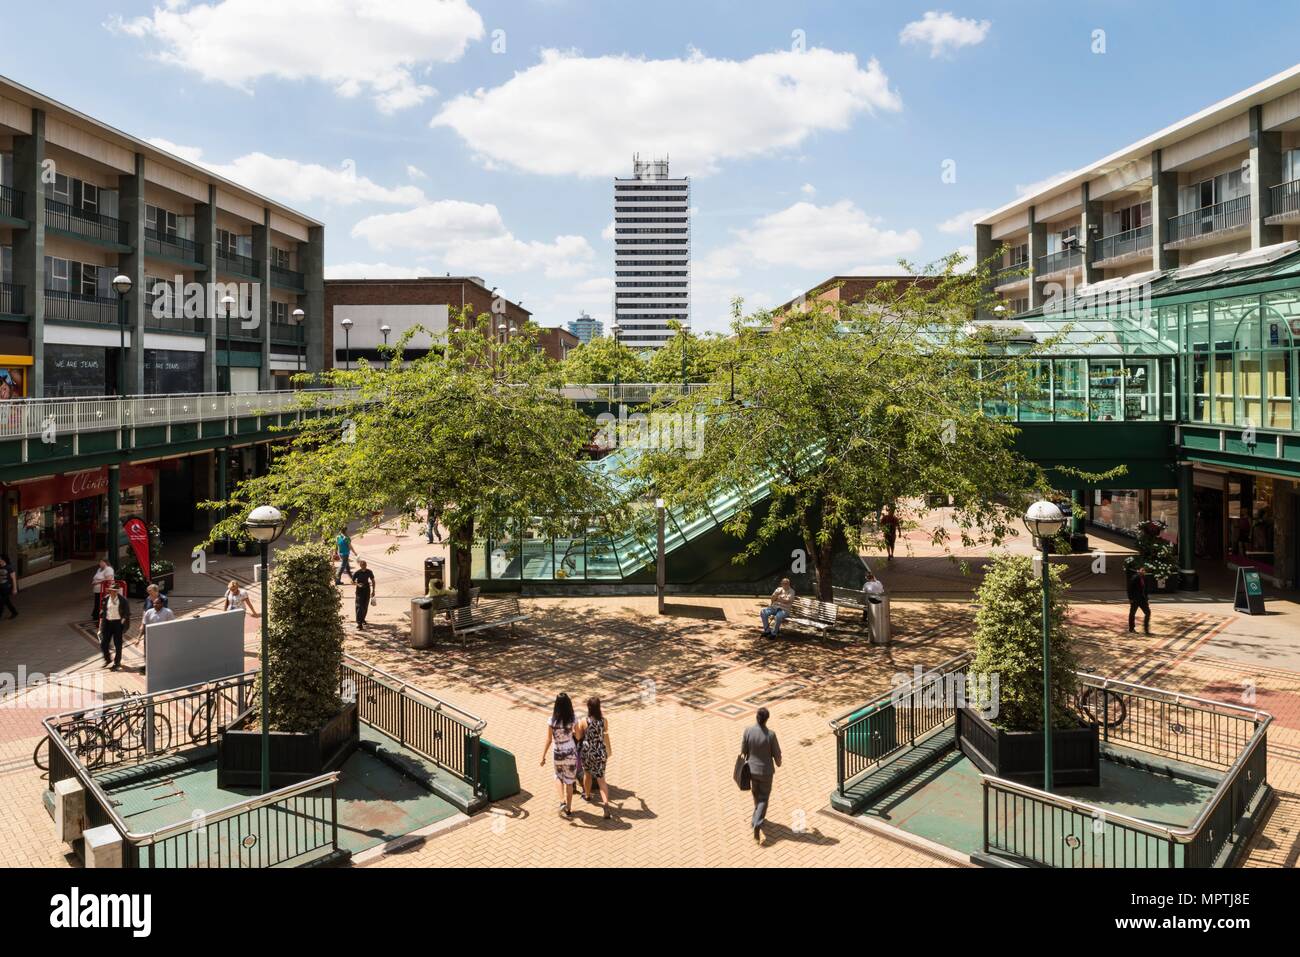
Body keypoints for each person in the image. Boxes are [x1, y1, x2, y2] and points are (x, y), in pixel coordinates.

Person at [740, 707, 782, 844]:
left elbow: (743, 751)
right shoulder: (771, 735)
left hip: (752, 770)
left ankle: (756, 817)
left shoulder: (748, 731)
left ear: (757, 717)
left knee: (756, 793)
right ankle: (757, 822)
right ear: (766, 719)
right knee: (764, 798)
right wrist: (778, 762)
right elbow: (777, 754)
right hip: (766, 772)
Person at [540, 693, 579, 819]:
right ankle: (568, 809)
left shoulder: (552, 721)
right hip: (571, 751)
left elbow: (549, 739)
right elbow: (578, 736)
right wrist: (572, 732)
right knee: (569, 781)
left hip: (558, 752)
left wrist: (543, 756)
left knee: (558, 776)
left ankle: (562, 801)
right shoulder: (573, 718)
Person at [576, 697, 613, 819]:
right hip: (600, 752)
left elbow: (579, 736)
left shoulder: (584, 721)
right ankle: (606, 804)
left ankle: (587, 795)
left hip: (587, 753)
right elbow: (604, 732)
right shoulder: (604, 721)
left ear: (588, 708)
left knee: (587, 774)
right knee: (602, 779)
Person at [99, 584, 131, 670]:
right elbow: (103, 612)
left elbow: (126, 613)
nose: (112, 592)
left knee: (118, 644)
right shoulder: (106, 599)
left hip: (117, 624)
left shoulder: (123, 600)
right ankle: (107, 659)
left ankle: (117, 662)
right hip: (107, 623)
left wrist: (121, 623)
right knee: (103, 644)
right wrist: (100, 627)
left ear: (116, 591)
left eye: (113, 591)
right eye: (110, 590)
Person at [1127, 564, 1151, 635]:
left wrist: (1147, 599)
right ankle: (1131, 628)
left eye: (1144, 570)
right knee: (1132, 614)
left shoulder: (1145, 578)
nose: (1144, 571)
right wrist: (1130, 598)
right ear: (1138, 570)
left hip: (1143, 599)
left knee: (1148, 613)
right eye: (1142, 570)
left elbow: (1145, 590)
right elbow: (1129, 589)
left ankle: (1146, 630)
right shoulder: (1134, 578)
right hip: (1135, 599)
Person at [353, 560, 376, 630]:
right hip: (359, 591)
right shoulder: (357, 572)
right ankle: (359, 623)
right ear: (360, 566)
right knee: (359, 606)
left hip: (367, 590)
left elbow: (373, 581)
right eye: (363, 565)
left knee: (365, 606)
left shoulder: (369, 572)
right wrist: (357, 584)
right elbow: (352, 581)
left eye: (365, 565)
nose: (364, 567)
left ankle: (362, 619)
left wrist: (373, 590)